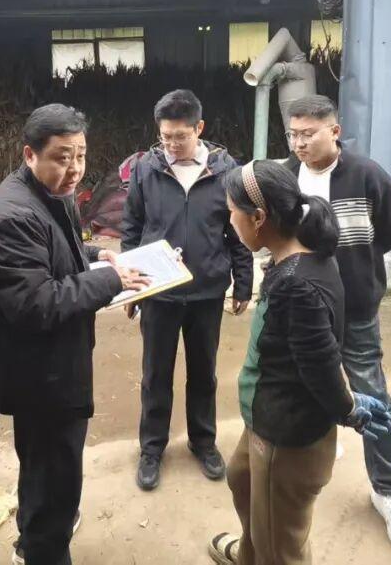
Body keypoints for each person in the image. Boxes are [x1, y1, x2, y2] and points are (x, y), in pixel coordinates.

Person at [0, 103, 149, 565]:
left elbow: (56, 246)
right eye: (62, 158)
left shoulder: (50, 192)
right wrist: (112, 282)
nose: (75, 169)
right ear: (30, 155)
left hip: (53, 362)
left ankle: (44, 526)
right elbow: (36, 303)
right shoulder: (10, 217)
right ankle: (42, 547)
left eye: (80, 155)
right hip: (37, 375)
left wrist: (96, 256)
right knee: (52, 466)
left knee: (49, 464)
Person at [208, 160, 391, 565]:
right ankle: (251, 553)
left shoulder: (297, 284)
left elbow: (321, 364)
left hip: (286, 434)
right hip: (267, 417)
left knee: (280, 545)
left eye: (231, 213)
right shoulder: (296, 258)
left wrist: (348, 407)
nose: (229, 223)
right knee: (241, 480)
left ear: (258, 218)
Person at [281, 94, 391, 556]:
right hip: (304, 307)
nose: (299, 143)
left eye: (308, 133)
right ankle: (313, 456)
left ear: (335, 131)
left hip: (356, 308)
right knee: (305, 386)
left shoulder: (367, 176)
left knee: (371, 393)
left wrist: (356, 268)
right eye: (293, 134)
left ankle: (389, 491)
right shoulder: (286, 176)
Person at [121, 89, 254, 491]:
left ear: (199, 128)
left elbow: (237, 231)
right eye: (166, 137)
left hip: (206, 292)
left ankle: (203, 442)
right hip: (158, 290)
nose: (173, 145)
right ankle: (152, 448)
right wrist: (129, 285)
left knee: (203, 373)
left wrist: (243, 282)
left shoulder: (226, 171)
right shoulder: (146, 169)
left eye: (180, 136)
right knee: (155, 374)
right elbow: (132, 227)